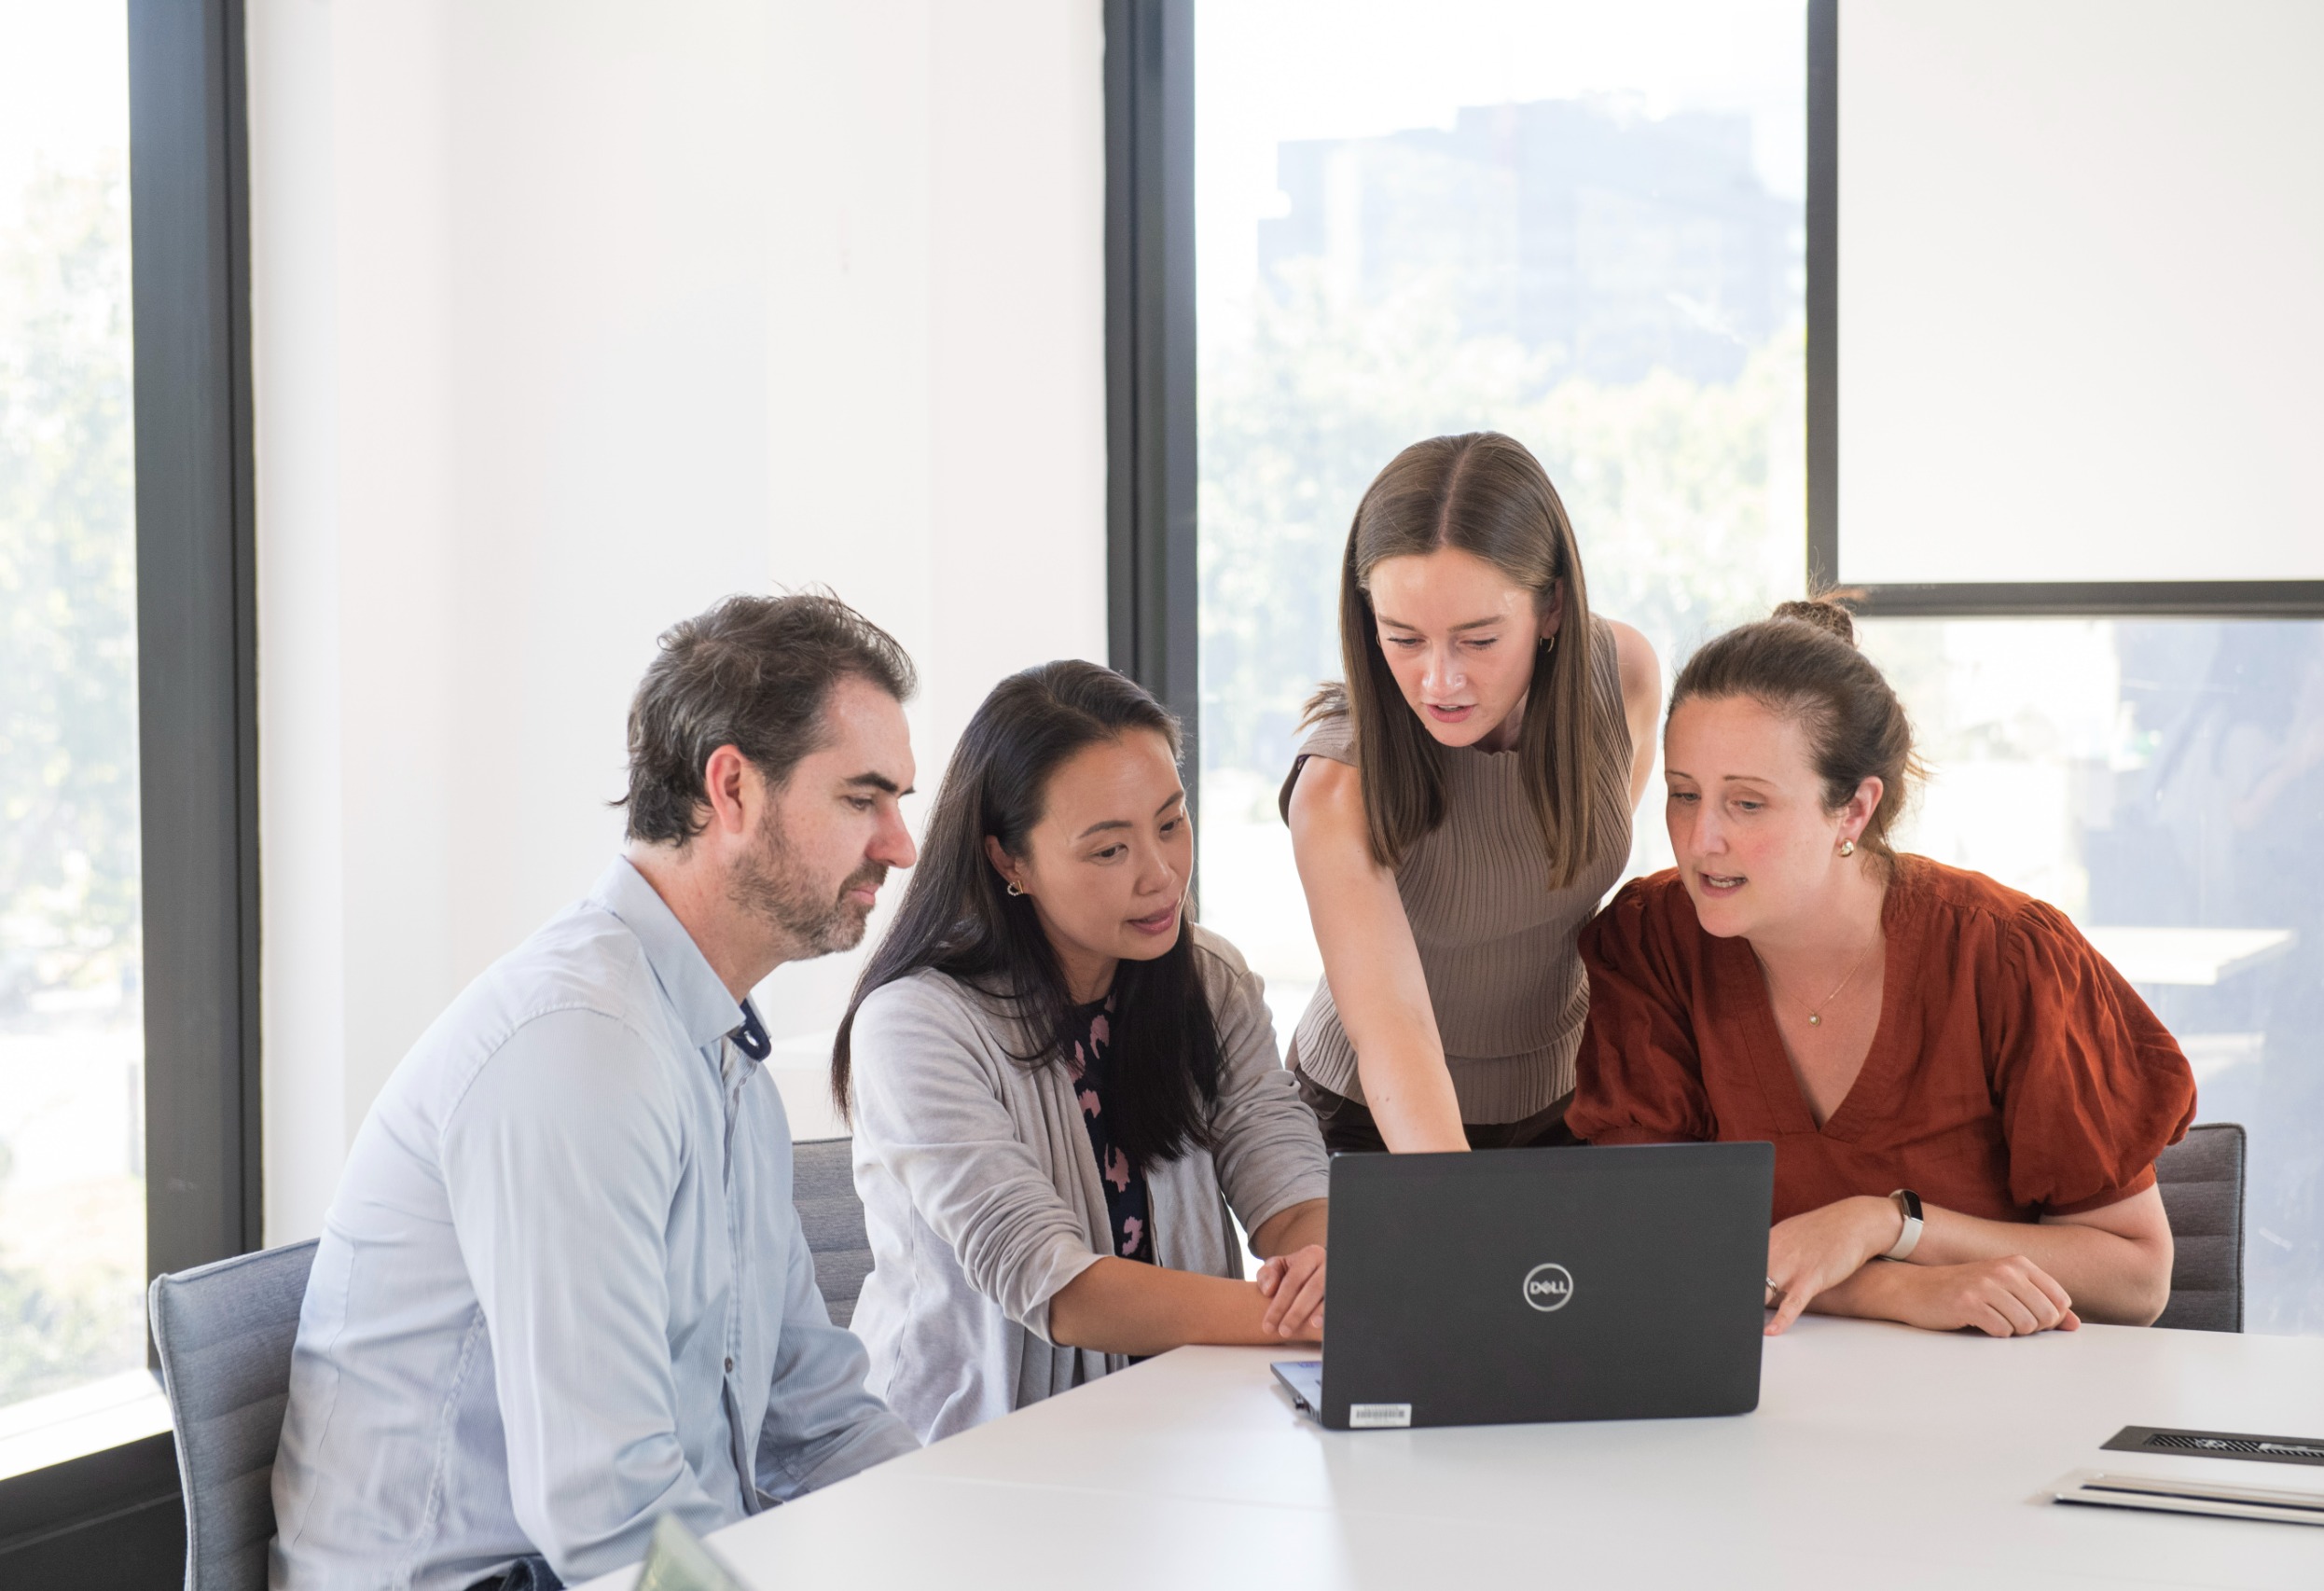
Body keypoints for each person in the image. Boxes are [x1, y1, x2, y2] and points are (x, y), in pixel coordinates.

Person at [270, 594, 924, 1591]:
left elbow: (815, 1415)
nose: (900, 843)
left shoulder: (717, 1053)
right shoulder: (578, 1047)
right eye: (862, 798)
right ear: (733, 787)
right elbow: (613, 1518)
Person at [1569, 598, 2198, 1338]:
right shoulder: (1650, 943)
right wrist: (1892, 1291)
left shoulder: (2004, 956)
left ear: (1855, 811)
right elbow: (1643, 1240)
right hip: (1757, 1415)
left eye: (1747, 803)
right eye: (1683, 795)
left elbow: (2137, 1279)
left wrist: (1887, 1226)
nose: (1702, 839)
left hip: (1996, 1413)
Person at [834, 660, 1330, 1442]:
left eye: (1171, 823)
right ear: (1010, 862)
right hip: (964, 1464)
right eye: (1109, 851)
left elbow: (1290, 1186)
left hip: (1181, 1438)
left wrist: (1323, 1266)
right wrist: (1300, 1319)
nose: (1161, 875)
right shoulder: (915, 1025)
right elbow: (1057, 1288)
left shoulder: (1211, 980)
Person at [1281, 432, 1662, 1153]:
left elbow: (1571, 889)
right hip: (1370, 1114)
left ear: (1552, 608)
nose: (1439, 681)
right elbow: (1396, 1035)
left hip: (1566, 1097)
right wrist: (1464, 1222)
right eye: (1404, 638)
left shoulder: (1624, 677)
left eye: (1478, 640)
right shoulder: (1337, 783)